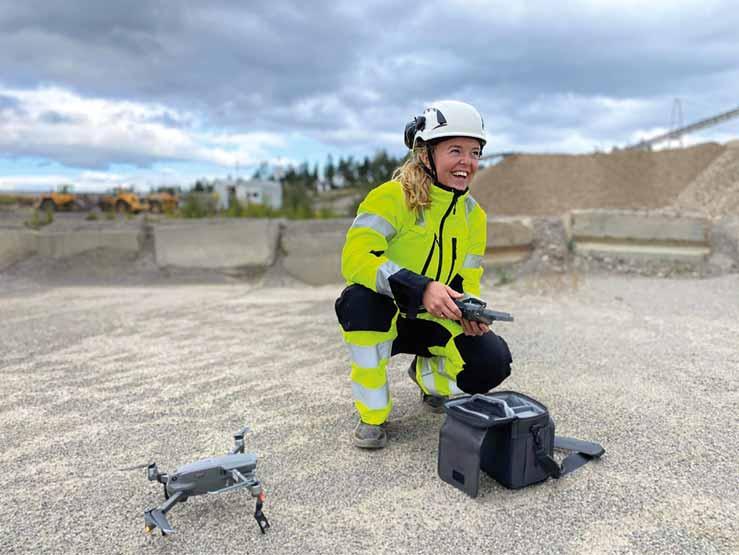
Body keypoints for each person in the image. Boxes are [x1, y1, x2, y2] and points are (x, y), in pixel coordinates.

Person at [335, 100, 513, 449]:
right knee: (359, 302)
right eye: (455, 150)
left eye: (475, 152)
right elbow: (355, 258)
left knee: (492, 363)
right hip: (387, 311)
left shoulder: (474, 216)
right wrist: (421, 288)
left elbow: (468, 276)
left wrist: (470, 309)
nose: (467, 162)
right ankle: (373, 415)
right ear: (426, 153)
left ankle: (427, 377)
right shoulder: (390, 198)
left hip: (433, 318)